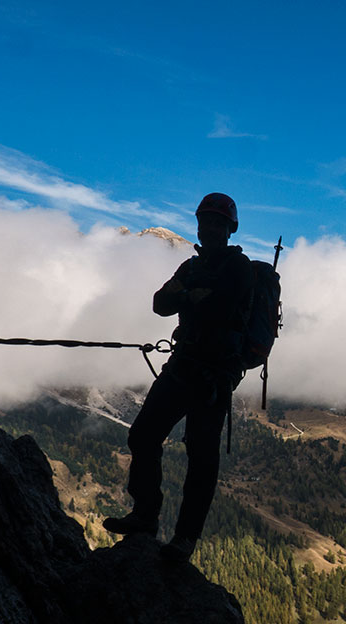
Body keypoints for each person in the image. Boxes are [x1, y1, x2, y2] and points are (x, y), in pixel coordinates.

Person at [103, 193, 253, 561]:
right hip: (185, 365)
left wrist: (185, 297)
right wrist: (191, 297)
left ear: (229, 229)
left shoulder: (240, 269)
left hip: (214, 375)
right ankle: (145, 516)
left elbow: (215, 308)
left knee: (201, 458)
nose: (211, 229)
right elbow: (159, 304)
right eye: (207, 222)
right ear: (200, 225)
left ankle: (184, 539)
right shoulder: (192, 267)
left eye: (218, 223)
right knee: (143, 435)